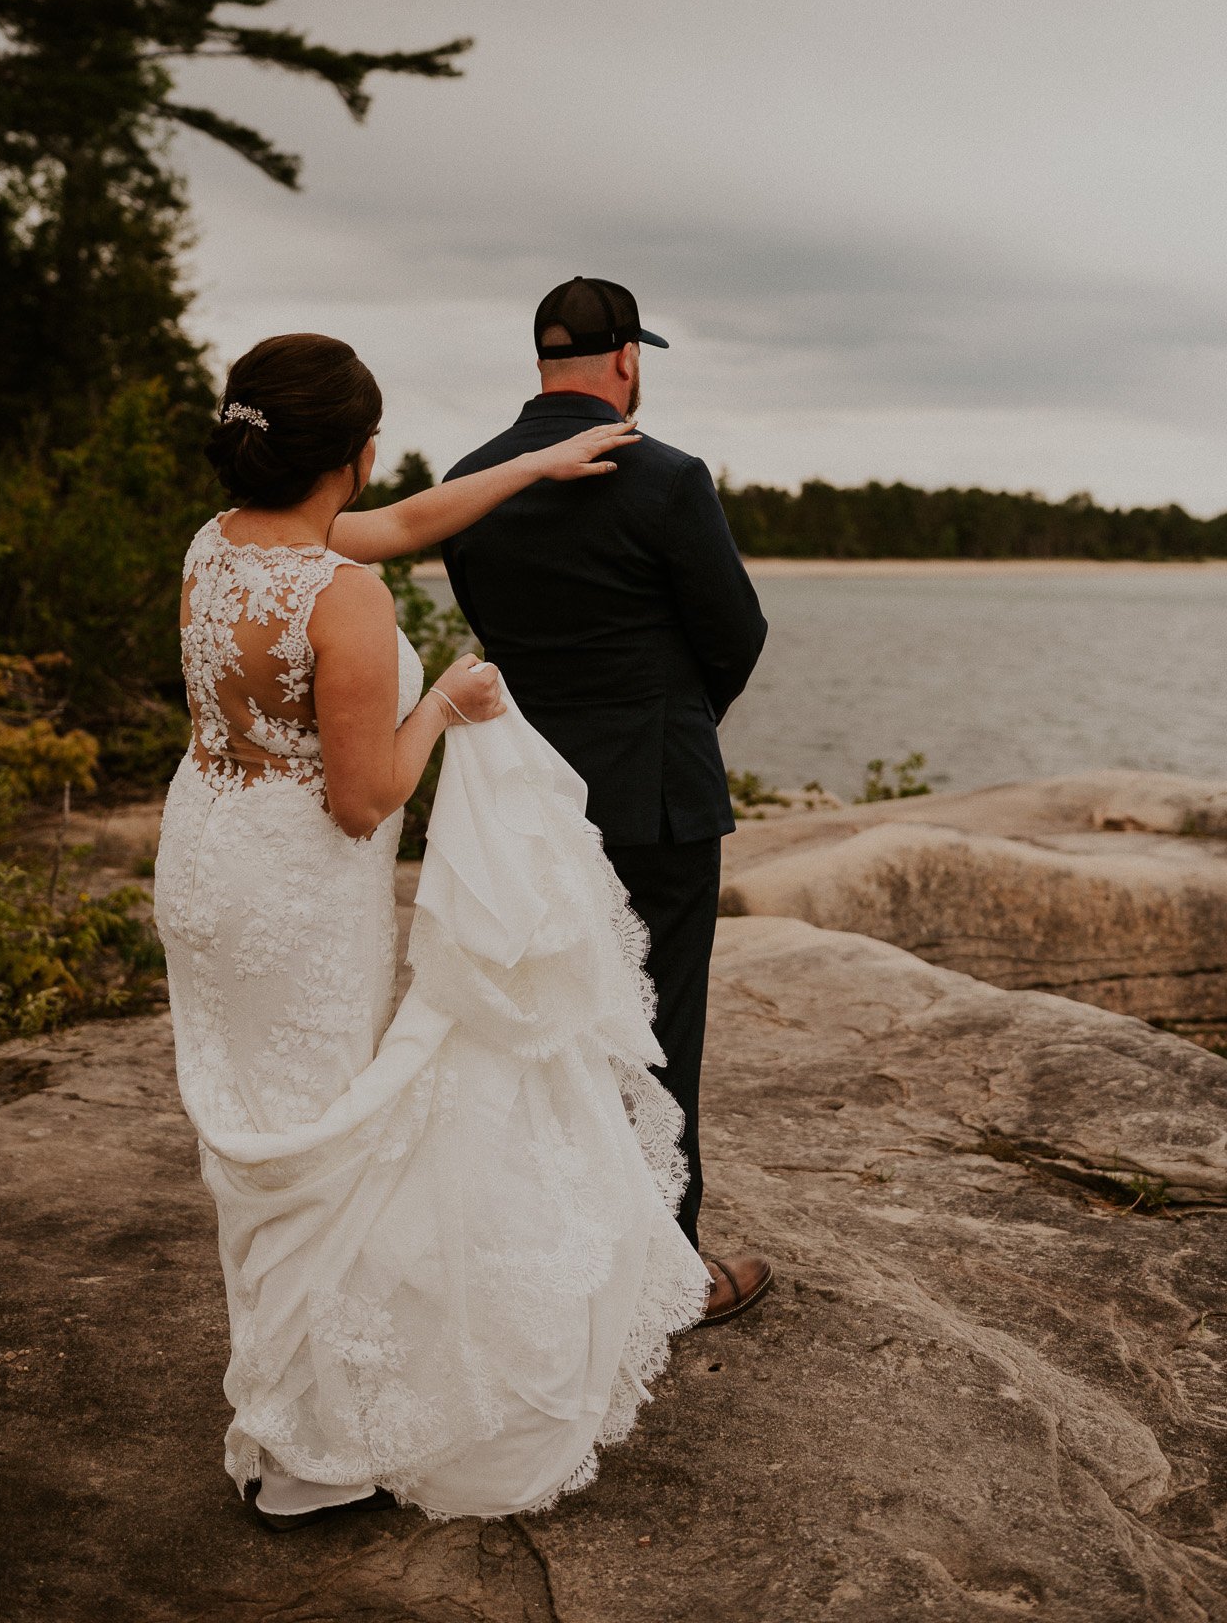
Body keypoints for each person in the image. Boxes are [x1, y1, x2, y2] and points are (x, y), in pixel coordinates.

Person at [154, 331, 710, 1529]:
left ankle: (280, 1399)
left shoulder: (220, 545)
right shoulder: (338, 596)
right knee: (322, 1138)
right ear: (354, 449)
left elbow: (406, 520)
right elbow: (363, 801)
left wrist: (534, 463)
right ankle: (306, 1444)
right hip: (295, 890)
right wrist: (447, 701)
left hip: (207, 859)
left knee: (261, 1127)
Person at [441, 278, 772, 1323]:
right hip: (655, 795)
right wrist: (673, 719)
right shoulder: (667, 477)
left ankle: (547, 1246)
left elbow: (497, 629)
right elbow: (737, 632)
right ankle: (665, 1270)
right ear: (627, 358)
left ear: (542, 362)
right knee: (660, 1019)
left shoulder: (467, 480)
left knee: (542, 1018)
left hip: (527, 791)